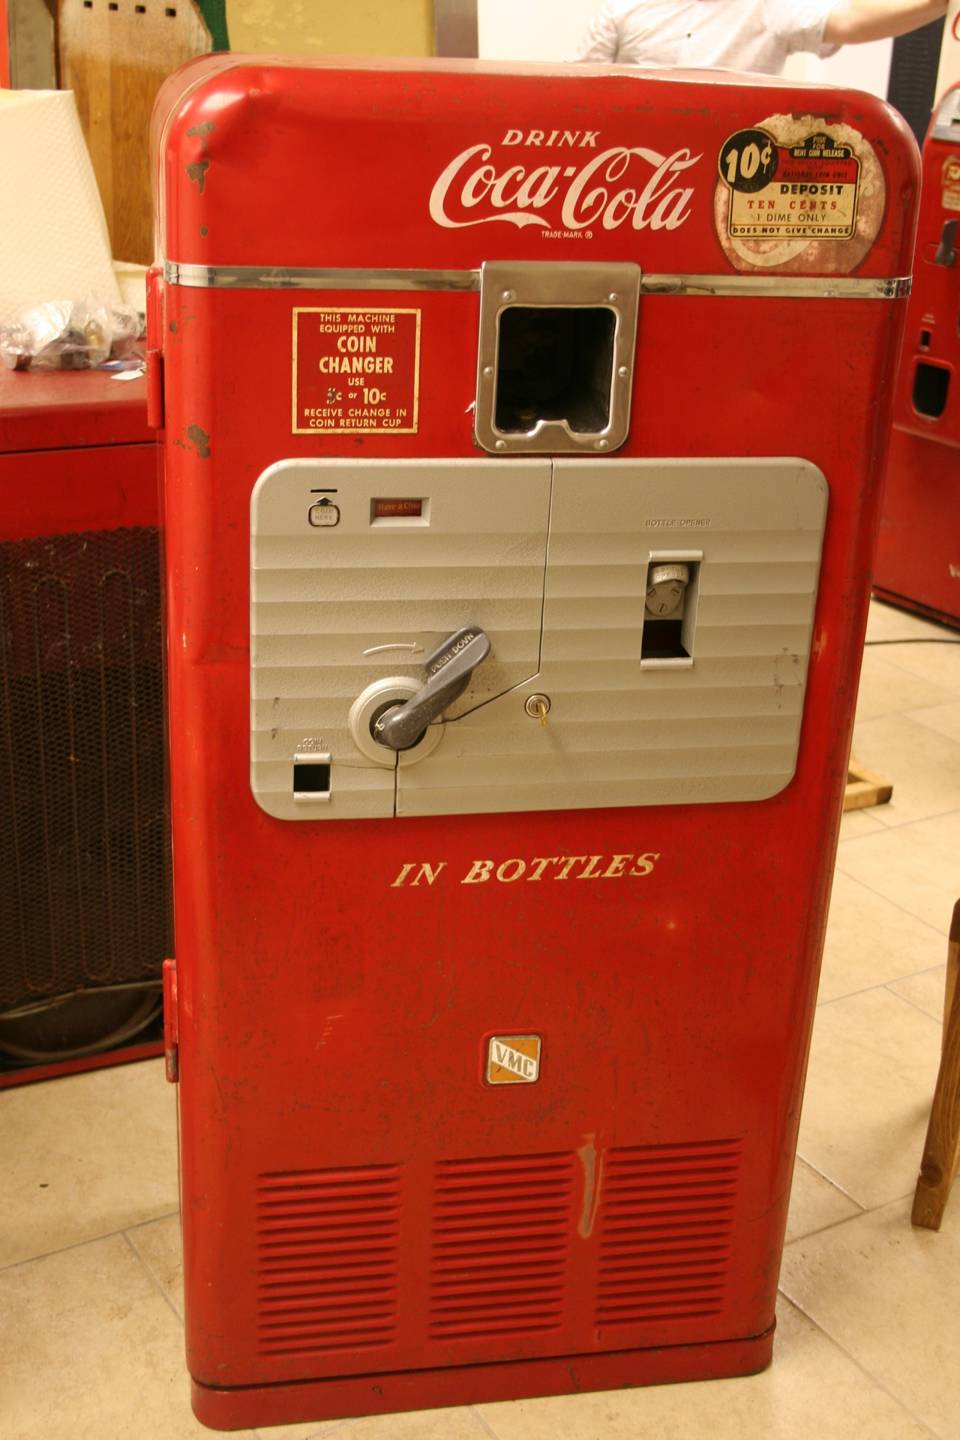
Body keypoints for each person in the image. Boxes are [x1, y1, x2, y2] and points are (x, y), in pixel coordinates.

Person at [577, 0, 950, 74]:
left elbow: (851, 20)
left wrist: (937, 2)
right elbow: (580, 96)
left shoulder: (770, 7)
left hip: (736, 174)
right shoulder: (619, 9)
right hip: (633, 177)